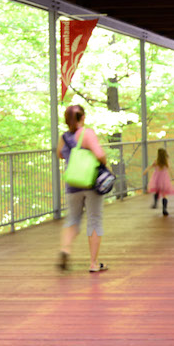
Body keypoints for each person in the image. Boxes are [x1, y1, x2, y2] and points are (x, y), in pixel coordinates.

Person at [57, 104, 109, 273]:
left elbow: (60, 154)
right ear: (82, 118)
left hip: (72, 183)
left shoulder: (63, 137)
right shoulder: (86, 133)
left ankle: (65, 249)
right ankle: (93, 263)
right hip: (91, 182)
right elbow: (100, 154)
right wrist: (103, 163)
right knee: (94, 219)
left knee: (72, 218)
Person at [143, 148, 174, 216]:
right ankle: (164, 209)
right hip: (164, 180)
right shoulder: (166, 162)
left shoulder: (156, 161)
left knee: (157, 191)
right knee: (164, 194)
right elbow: (169, 169)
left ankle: (155, 203)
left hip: (157, 179)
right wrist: (172, 176)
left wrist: (145, 171)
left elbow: (150, 167)